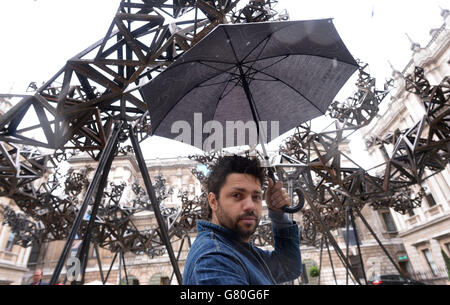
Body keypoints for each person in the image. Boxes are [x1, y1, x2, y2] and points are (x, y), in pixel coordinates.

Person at [183, 155, 302, 285]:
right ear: (213, 201)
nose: (250, 205)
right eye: (237, 195)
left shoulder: (236, 247)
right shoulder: (215, 259)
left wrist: (277, 213)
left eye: (256, 196)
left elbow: (289, 268)